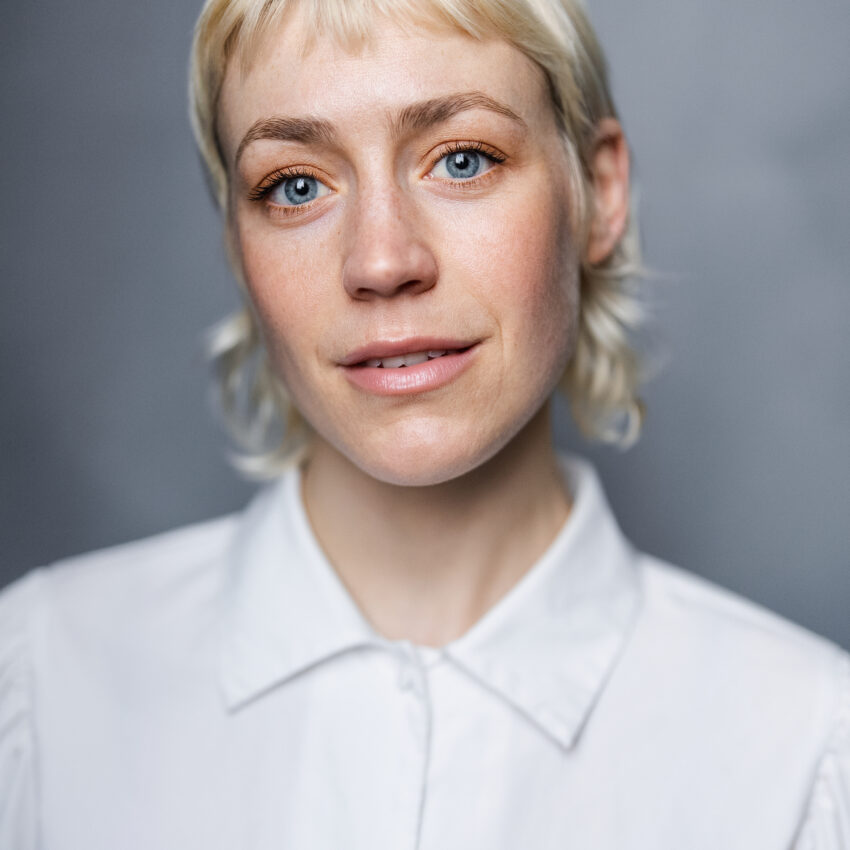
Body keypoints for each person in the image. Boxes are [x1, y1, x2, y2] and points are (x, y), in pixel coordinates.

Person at [1, 0, 847, 846]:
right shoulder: (38, 684)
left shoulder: (808, 755)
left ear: (598, 191)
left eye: (463, 160)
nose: (381, 261)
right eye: (296, 186)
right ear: (235, 242)